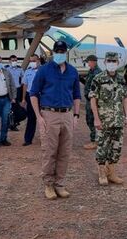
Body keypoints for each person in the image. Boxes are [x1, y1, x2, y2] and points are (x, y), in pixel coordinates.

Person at [30, 41, 81, 200]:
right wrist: (39, 117)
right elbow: (33, 94)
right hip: (49, 114)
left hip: (67, 114)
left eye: (62, 50)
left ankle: (59, 184)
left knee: (64, 152)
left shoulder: (73, 71)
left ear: (66, 52)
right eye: (57, 50)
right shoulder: (44, 70)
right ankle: (48, 185)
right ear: (53, 52)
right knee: (50, 151)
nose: (60, 53)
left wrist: (76, 115)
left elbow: (77, 95)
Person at [89, 52, 127, 186]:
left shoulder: (121, 79)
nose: (112, 63)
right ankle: (101, 173)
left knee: (116, 148)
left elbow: (124, 98)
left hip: (118, 120)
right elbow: (93, 99)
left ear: (118, 63)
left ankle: (111, 173)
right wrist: (96, 119)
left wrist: (126, 116)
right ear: (105, 62)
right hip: (103, 120)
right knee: (102, 147)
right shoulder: (98, 78)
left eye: (114, 61)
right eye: (109, 61)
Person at [21, 54, 41, 146]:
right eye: (31, 61)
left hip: (42, 96)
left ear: (38, 60)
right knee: (31, 118)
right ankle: (28, 139)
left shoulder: (43, 71)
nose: (32, 63)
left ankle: (46, 139)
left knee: (45, 118)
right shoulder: (27, 72)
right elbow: (25, 85)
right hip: (30, 96)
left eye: (34, 61)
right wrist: (23, 98)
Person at [82, 54, 101, 150]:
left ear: (93, 61)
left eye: (88, 62)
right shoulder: (92, 71)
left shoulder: (97, 72)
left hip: (94, 101)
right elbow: (88, 83)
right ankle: (95, 140)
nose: (88, 64)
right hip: (89, 100)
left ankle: (95, 141)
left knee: (93, 120)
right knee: (89, 120)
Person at [5, 55, 24, 131]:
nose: (14, 62)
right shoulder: (6, 69)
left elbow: (23, 78)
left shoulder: (20, 69)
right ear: (9, 61)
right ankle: (9, 124)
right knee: (9, 108)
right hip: (9, 90)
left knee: (16, 107)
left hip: (17, 89)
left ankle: (14, 123)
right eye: (13, 60)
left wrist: (20, 85)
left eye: (15, 60)